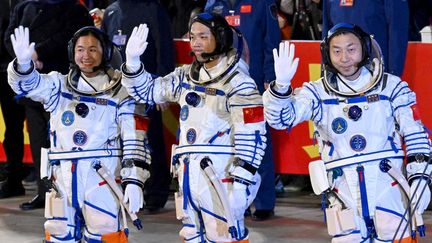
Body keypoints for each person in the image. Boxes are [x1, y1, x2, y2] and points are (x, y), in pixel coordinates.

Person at [263, 23, 431, 242]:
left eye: (351, 49)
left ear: (364, 48)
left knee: (395, 236)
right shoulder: (317, 92)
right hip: (343, 188)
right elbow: (281, 120)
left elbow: (415, 134)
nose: (344, 58)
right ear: (327, 54)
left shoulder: (391, 87)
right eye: (337, 51)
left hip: (387, 184)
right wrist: (281, 88)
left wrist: (419, 177)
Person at [122, 13, 267, 242]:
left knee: (223, 235)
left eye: (203, 36)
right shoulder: (184, 77)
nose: (196, 43)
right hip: (189, 177)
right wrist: (132, 62)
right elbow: (148, 92)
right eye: (192, 37)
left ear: (220, 38)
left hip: (221, 176)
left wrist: (241, 184)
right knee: (191, 235)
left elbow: (252, 137)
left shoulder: (239, 83)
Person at [7, 25, 151, 242]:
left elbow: (134, 138)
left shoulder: (120, 90)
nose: (86, 56)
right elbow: (28, 86)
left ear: (106, 52)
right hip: (63, 178)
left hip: (102, 177)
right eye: (80, 49)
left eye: (93, 49)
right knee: (59, 233)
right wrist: (24, 65)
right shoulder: (59, 86)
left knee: (105, 232)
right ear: (72, 53)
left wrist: (134, 181)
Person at [4, 0, 93, 210]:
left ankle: (71, 193)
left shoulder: (74, 8)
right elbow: (10, 37)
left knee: (64, 142)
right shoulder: (23, 7)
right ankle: (45, 193)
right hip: (32, 87)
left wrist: (38, 54)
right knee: (39, 144)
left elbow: (70, 38)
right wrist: (24, 60)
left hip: (63, 88)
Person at [205, 0, 280, 221]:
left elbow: (271, 40)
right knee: (227, 140)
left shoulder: (262, 3)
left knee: (257, 141)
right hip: (222, 84)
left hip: (253, 83)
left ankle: (264, 201)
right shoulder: (212, 4)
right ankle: (235, 198)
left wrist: (270, 76)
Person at [101, 0, 175, 212]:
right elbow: (105, 50)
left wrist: (162, 87)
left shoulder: (153, 8)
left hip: (147, 87)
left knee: (150, 140)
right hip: (117, 89)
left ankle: (156, 191)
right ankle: (131, 189)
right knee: (122, 142)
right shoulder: (111, 11)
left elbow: (164, 48)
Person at [322, 0, 409, 77]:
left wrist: (393, 74)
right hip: (339, 73)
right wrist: (325, 72)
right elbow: (327, 34)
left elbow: (397, 33)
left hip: (374, 69)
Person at [0, 0, 26, 199]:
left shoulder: (25, 4)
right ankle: (12, 178)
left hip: (17, 71)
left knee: (14, 127)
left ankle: (14, 179)